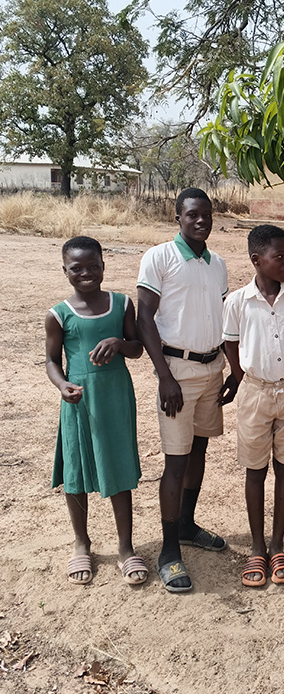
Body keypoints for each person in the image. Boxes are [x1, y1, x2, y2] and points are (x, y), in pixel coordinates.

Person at [137, 188, 237, 594]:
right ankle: (167, 550)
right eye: (193, 214)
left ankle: (187, 524)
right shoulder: (159, 257)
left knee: (199, 450)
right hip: (176, 371)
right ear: (178, 217)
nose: (201, 220)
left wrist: (235, 368)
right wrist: (164, 376)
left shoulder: (218, 265)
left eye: (207, 214)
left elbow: (225, 319)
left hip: (213, 367)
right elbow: (146, 318)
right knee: (175, 461)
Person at [45, 236, 147, 586]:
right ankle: (81, 543)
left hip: (116, 395)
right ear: (66, 272)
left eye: (93, 266)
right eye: (77, 268)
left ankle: (125, 547)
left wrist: (119, 343)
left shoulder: (121, 304)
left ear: (103, 266)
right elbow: (51, 361)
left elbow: (137, 349)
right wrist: (62, 385)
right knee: (76, 472)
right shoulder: (58, 314)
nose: (86, 273)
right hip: (78, 400)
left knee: (118, 467)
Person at [222, 225, 284, 586]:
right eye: (281, 257)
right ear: (256, 260)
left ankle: (278, 546)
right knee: (255, 469)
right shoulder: (237, 303)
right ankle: (257, 548)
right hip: (255, 392)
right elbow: (232, 345)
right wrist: (246, 375)